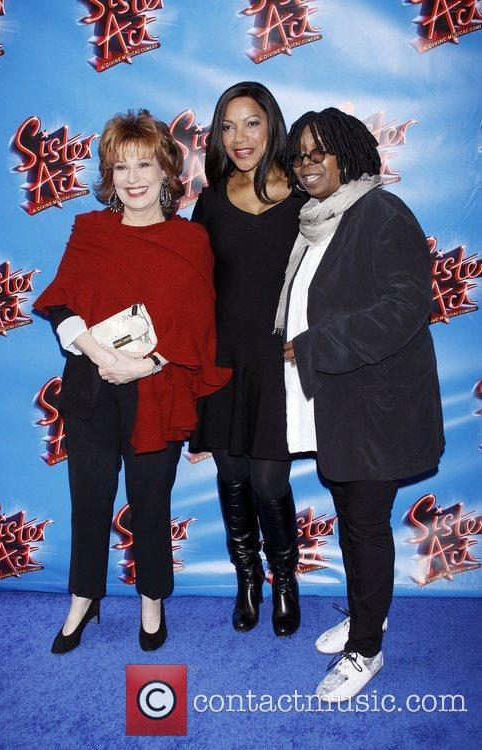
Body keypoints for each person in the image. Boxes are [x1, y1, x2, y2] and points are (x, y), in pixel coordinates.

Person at [33, 109, 231, 654]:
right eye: (121, 166)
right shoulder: (89, 231)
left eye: (145, 163)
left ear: (168, 170)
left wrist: (144, 365)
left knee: (150, 502)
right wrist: (100, 354)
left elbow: (197, 328)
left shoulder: (190, 241)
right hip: (91, 386)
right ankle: (83, 599)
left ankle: (152, 600)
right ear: (108, 176)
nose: (133, 177)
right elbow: (61, 303)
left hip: (159, 393)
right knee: (89, 497)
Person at [279, 107, 445, 699]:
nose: (308, 164)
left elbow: (407, 308)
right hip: (340, 400)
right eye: (299, 154)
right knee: (353, 518)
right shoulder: (317, 223)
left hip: (379, 405)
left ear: (350, 152)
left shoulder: (380, 212)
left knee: (366, 522)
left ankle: (367, 649)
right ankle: (366, 613)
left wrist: (319, 345)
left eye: (320, 150)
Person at [190, 82, 308, 637]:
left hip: (280, 363)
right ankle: (247, 580)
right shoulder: (209, 201)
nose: (240, 137)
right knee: (232, 475)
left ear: (271, 126)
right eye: (229, 126)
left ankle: (285, 579)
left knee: (267, 482)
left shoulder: (306, 198)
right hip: (223, 358)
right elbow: (186, 282)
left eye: (252, 123)